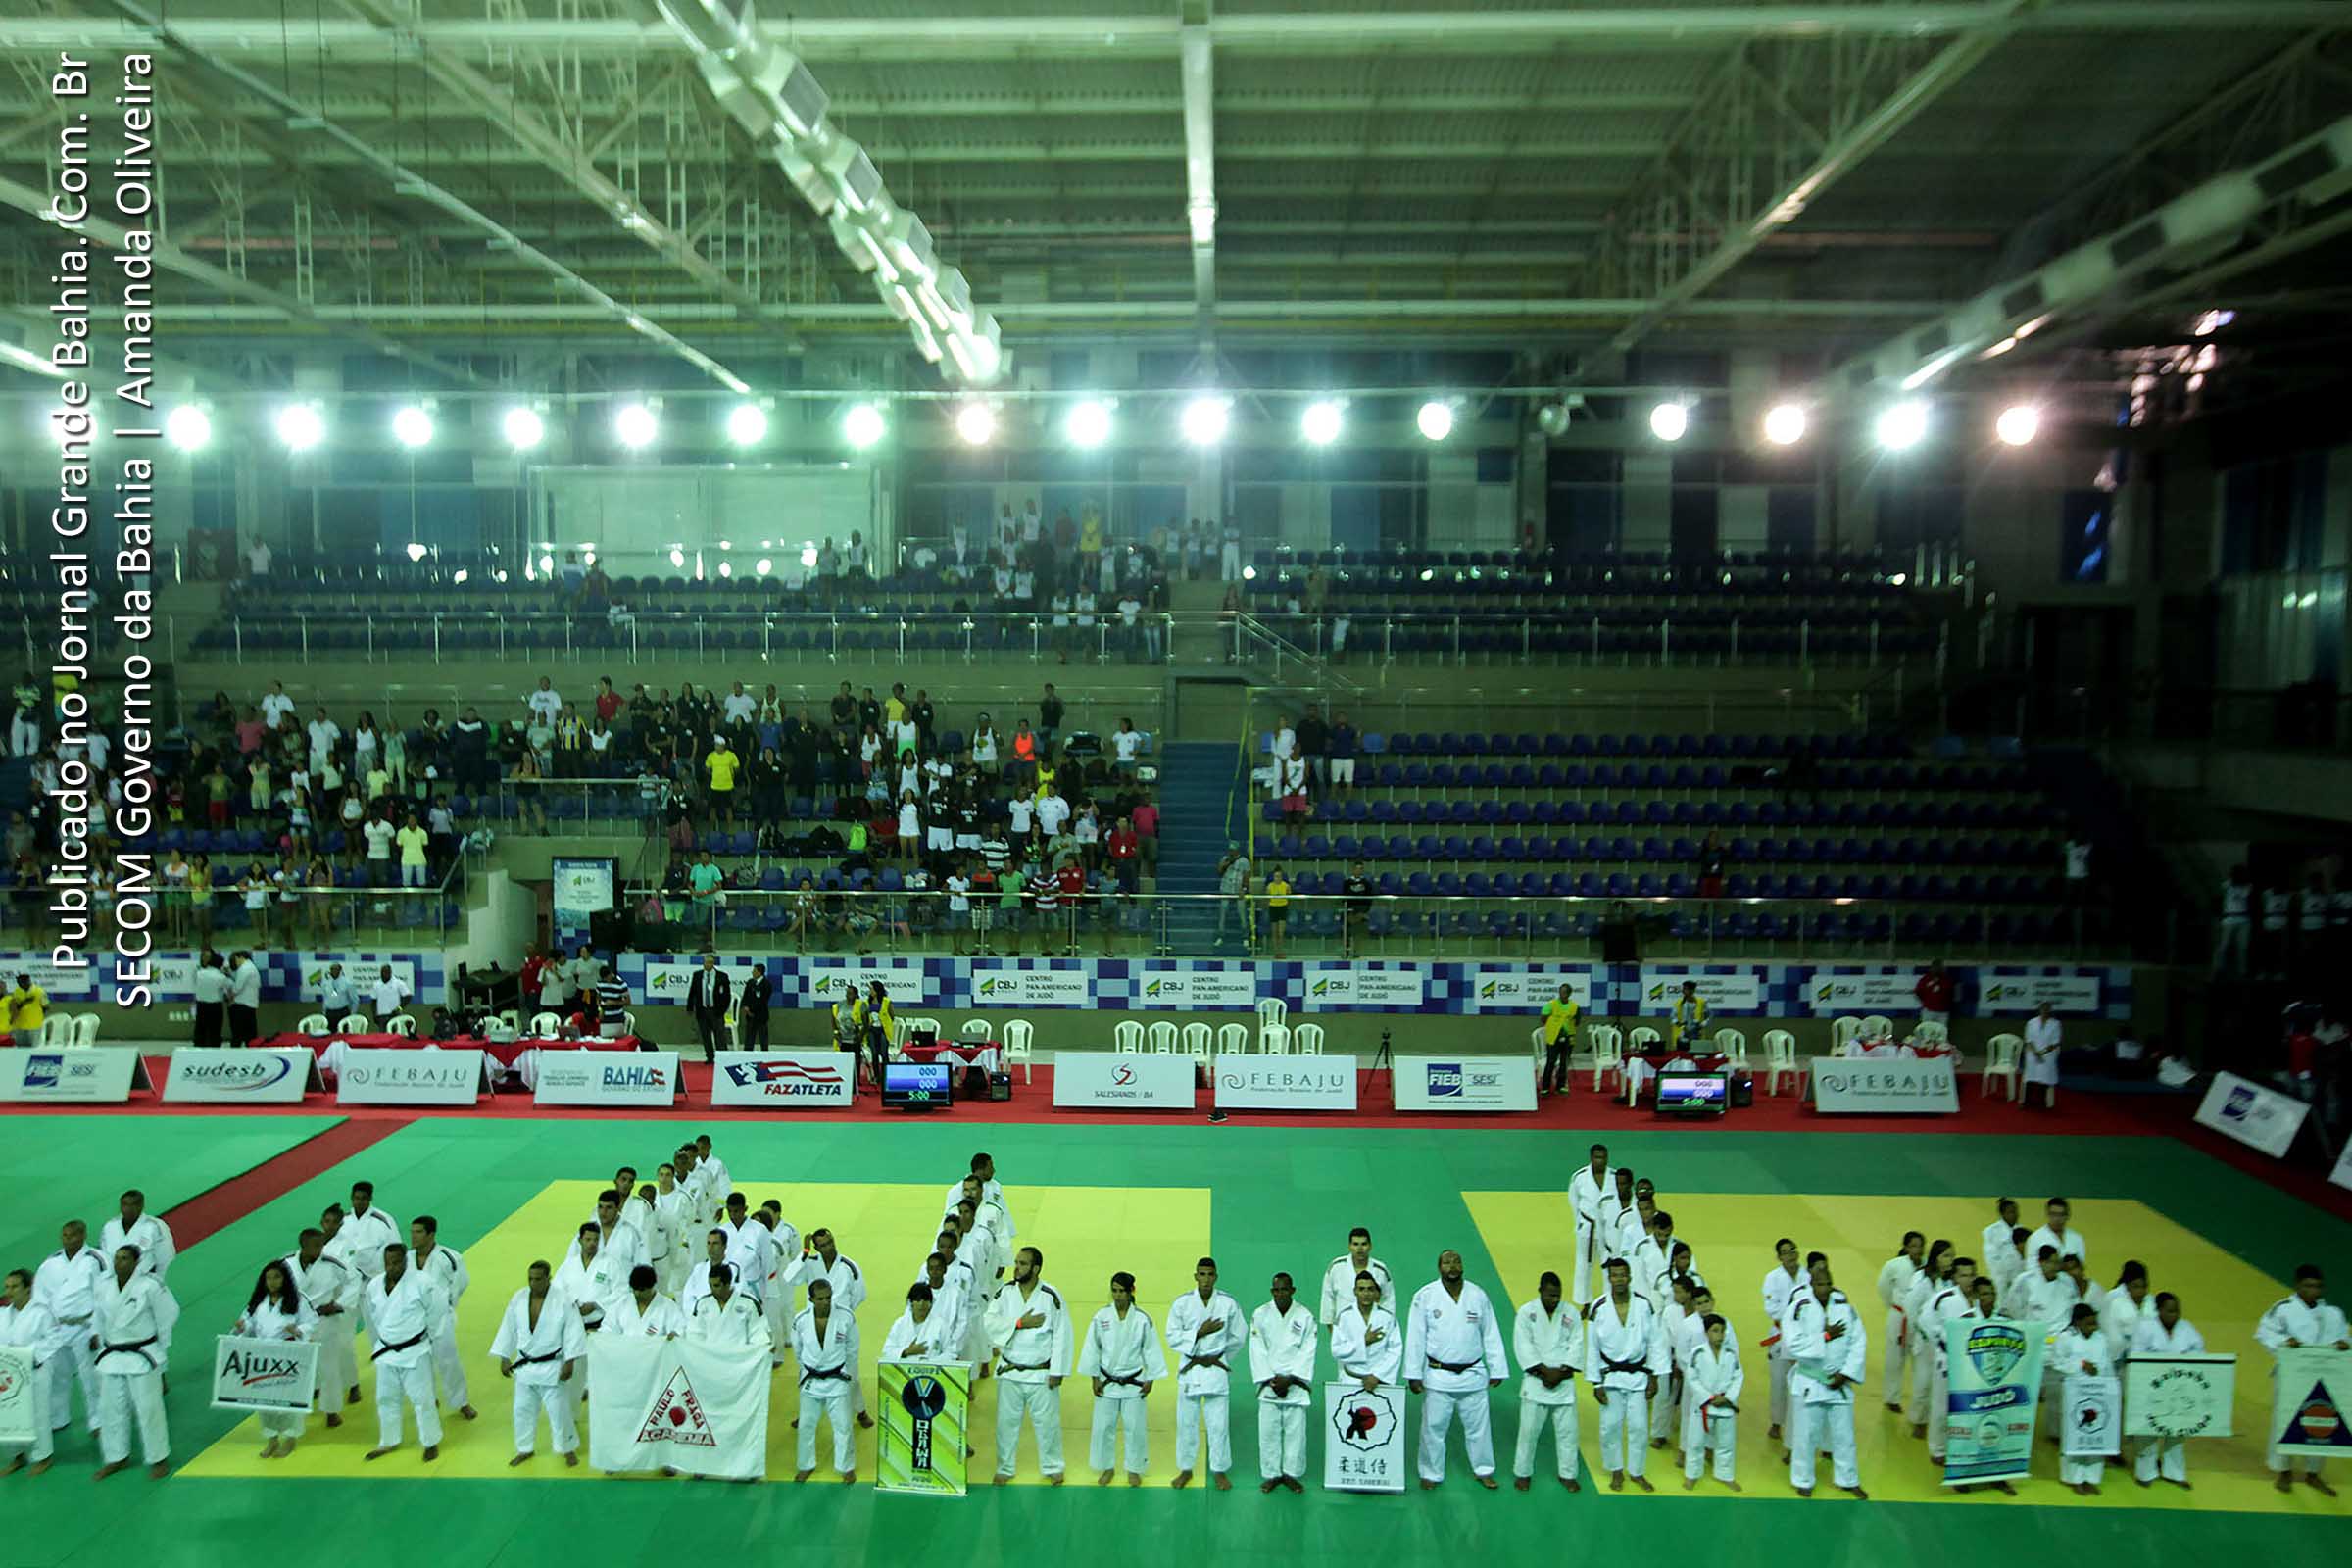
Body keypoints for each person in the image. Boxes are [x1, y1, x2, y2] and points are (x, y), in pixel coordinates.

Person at [1403, 1249, 1507, 1490]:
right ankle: (1430, 1472)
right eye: (1447, 1262)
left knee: (1479, 1428)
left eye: (1456, 1261)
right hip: (1439, 1374)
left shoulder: (1477, 1295)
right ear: (1439, 1267)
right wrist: (1413, 1374)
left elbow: (1490, 1332)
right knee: (1433, 1428)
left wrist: (1497, 1367)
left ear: (1462, 1266)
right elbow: (1416, 1337)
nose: (1452, 1266)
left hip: (1473, 1373)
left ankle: (1483, 1470)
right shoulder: (1425, 1296)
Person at [2256, 1263, 2350, 1495]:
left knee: (2322, 1420)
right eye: (2308, 1285)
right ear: (2297, 1285)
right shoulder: (2283, 1309)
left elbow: (2344, 1340)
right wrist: (2284, 1342)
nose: (2313, 1290)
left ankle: (2313, 1473)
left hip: (2326, 1376)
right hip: (2292, 1374)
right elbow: (2264, 1333)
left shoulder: (2334, 1313)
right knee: (2285, 1418)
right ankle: (2283, 1471)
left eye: (2317, 1286)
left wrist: (2344, 1344)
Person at [91, 1243, 179, 1480]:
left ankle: (158, 1457)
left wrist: (160, 1347)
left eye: (124, 1259)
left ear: (136, 1262)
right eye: (117, 1258)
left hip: (142, 1353)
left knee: (149, 1408)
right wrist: (99, 1339)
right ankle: (116, 1457)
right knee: (109, 1409)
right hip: (111, 1354)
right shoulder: (103, 1285)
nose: (118, 1263)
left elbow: (168, 1314)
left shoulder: (150, 1285)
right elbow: (97, 1316)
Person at [1782, 1256, 1868, 1499]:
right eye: (1819, 1284)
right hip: (1810, 1380)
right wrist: (1825, 1336)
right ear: (1811, 1283)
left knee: (1844, 1435)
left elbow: (1858, 1341)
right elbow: (1793, 1344)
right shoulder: (1800, 1307)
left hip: (1839, 1382)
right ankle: (1803, 1479)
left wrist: (1847, 1373)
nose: (1824, 1288)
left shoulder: (1845, 1307)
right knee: (1806, 1435)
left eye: (1828, 1283)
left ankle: (1848, 1479)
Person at [987, 1246, 1073, 1485]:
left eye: (1023, 1264)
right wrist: (1019, 1323)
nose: (1017, 1268)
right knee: (1006, 1424)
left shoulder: (1050, 1295)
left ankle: (1052, 1466)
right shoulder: (1004, 1292)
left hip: (1041, 1372)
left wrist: (1058, 1370)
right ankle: (1005, 1467)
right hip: (1010, 1370)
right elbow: (989, 1322)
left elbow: (1062, 1333)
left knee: (1048, 1424)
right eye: (1016, 1262)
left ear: (1036, 1268)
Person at [1077, 1271, 1167, 1486]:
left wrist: (1151, 1378)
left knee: (1134, 1427)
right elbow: (1092, 1347)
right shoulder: (1101, 1317)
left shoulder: (1142, 1320)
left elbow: (1151, 1350)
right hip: (1107, 1381)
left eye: (1121, 1291)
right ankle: (1106, 1467)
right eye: (1114, 1291)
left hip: (1134, 1381)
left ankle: (1134, 1468)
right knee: (1103, 1427)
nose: (1117, 1296)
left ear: (1131, 1292)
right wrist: (1093, 1377)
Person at [1585, 1256, 1665, 1490]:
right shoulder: (1598, 1307)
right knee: (1610, 1425)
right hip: (1610, 1375)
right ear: (1609, 1278)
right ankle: (1616, 1470)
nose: (1619, 1279)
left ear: (1629, 1277)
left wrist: (1654, 1376)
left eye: (1623, 1275)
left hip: (1638, 1375)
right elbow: (1592, 1347)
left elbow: (1655, 1342)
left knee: (1639, 1426)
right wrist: (1595, 1383)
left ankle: (1637, 1472)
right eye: (1614, 1275)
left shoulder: (1643, 1305)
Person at [361, 1244, 446, 1463]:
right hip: (387, 1350)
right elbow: (374, 1315)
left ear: (405, 1261)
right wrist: (384, 1338)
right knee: (385, 1398)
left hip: (415, 1350)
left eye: (397, 1262)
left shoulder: (422, 1282)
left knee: (422, 1399)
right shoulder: (375, 1285)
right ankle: (389, 1440)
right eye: (388, 1263)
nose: (392, 1267)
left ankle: (430, 1441)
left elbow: (437, 1310)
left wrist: (428, 1335)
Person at [1165, 1255, 1243, 1491]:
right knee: (1186, 1423)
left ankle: (1219, 1470)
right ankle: (1186, 1469)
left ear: (1215, 1277)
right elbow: (1172, 1336)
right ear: (1195, 1276)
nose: (1206, 1279)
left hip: (1215, 1368)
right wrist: (1198, 1333)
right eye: (1202, 1274)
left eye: (1210, 1275)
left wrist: (1220, 1358)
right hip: (1191, 1368)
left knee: (1218, 1424)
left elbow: (1238, 1336)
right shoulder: (1182, 1303)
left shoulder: (1228, 1303)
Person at [233, 1259, 316, 1458]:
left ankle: (290, 1437)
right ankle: (271, 1438)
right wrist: (242, 1327)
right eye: (268, 1278)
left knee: (288, 1399)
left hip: (289, 1355)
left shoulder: (298, 1300)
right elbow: (248, 1323)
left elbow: (312, 1322)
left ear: (285, 1279)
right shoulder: (257, 1303)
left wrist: (298, 1330)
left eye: (277, 1277)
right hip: (263, 1356)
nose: (272, 1282)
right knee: (264, 1400)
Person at [1247, 1271, 1317, 1493]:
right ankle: (1271, 1474)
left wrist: (1291, 1378)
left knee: (1296, 1432)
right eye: (1276, 1289)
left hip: (1295, 1383)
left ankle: (1291, 1474)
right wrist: (1270, 1378)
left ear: (1292, 1290)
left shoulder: (1305, 1315)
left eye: (1284, 1289)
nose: (1280, 1293)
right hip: (1270, 1383)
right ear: (1271, 1291)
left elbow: (1308, 1350)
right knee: (1268, 1431)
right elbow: (1257, 1349)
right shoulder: (1261, 1314)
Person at [1512, 1270, 1582, 1492]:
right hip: (1536, 1380)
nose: (1555, 1299)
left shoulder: (1571, 1312)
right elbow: (1523, 1345)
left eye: (1558, 1295)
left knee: (1568, 1433)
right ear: (1540, 1290)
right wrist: (1544, 1372)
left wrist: (1560, 1373)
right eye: (1550, 1295)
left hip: (1563, 1379)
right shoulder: (1526, 1313)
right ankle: (1523, 1473)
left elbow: (1577, 1344)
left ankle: (1568, 1474)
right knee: (1528, 1432)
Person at [35, 1221, 105, 1440]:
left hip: (85, 1326)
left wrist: (97, 1330)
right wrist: (45, 1329)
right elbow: (40, 1297)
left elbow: (103, 1296)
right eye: (65, 1235)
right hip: (58, 1327)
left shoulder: (95, 1259)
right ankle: (58, 1417)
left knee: (90, 1377)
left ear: (83, 1235)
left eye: (73, 1235)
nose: (69, 1239)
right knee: (57, 1375)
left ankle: (98, 1420)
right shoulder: (50, 1263)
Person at [283, 1226, 355, 1428]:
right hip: (297, 1324)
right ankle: (294, 1414)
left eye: (322, 1244)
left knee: (329, 1368)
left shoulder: (332, 1263)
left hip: (325, 1321)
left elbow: (353, 1281)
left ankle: (332, 1411)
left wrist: (339, 1303)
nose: (320, 1249)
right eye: (315, 1245)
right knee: (295, 1369)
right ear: (302, 1245)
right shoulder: (286, 1265)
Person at [2131, 1292, 2203, 1488]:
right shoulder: (2145, 1327)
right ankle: (2145, 1473)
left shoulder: (2186, 1328)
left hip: (2179, 1388)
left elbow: (2199, 1351)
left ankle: (2174, 1473)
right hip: (2151, 1386)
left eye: (2177, 1311)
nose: (2175, 1315)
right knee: (2148, 1430)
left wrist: (2186, 1361)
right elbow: (2136, 1354)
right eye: (2170, 1311)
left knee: (2177, 1431)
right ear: (2159, 1310)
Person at [792, 1278, 860, 1484]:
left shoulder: (846, 1317)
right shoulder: (801, 1320)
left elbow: (852, 1349)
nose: (826, 1302)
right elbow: (798, 1350)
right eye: (820, 1299)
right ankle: (805, 1465)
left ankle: (845, 1467)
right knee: (806, 1425)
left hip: (837, 1377)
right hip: (811, 1379)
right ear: (811, 1299)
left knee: (843, 1426)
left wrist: (847, 1373)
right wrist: (806, 1369)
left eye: (829, 1297)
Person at [409, 1217, 476, 1421]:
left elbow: (462, 1282)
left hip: (440, 1318)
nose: (413, 1236)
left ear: (431, 1234)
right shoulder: (406, 1258)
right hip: (413, 1318)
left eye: (418, 1232)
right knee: (419, 1361)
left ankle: (461, 1402)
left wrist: (447, 1303)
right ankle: (428, 1398)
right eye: (412, 1231)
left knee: (447, 1360)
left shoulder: (448, 1257)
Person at [2052, 1301, 2116, 1494]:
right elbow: (2056, 1362)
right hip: (2074, 1391)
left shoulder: (2101, 1339)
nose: (2093, 1327)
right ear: (2078, 1323)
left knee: (2096, 1432)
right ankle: (2074, 1478)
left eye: (2095, 1323)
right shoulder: (2066, 1338)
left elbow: (2107, 1363)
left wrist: (2110, 1385)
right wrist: (2080, 1365)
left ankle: (2091, 1477)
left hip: (2098, 1390)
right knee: (2075, 1434)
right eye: (2089, 1324)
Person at [0, 1268, 58, 1473]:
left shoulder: (42, 1312)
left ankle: (43, 1456)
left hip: (36, 1369)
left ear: (28, 1289)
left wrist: (26, 1354)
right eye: (7, 1286)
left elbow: (52, 1340)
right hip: (7, 1373)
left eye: (14, 1286)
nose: (9, 1291)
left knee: (38, 1413)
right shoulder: (2, 1314)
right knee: (8, 1413)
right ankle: (17, 1455)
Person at [1682, 1312, 1743, 1491]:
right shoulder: (1698, 1352)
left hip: (1725, 1404)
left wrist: (1728, 1397)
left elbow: (1738, 1376)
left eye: (1722, 1331)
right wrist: (1709, 1397)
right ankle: (1692, 1475)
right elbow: (1692, 1378)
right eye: (1715, 1331)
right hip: (1704, 1404)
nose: (1720, 1335)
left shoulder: (1731, 1353)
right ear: (1707, 1333)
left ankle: (1725, 1475)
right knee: (1696, 1442)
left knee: (1726, 1442)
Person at [1874, 1231, 1925, 1409]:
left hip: (1920, 1319)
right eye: (1913, 1245)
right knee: (1894, 1359)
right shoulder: (1894, 1265)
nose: (1917, 1249)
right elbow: (1883, 1288)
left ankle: (1920, 1399)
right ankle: (1892, 1398)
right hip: (1899, 1315)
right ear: (1906, 1247)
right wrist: (1894, 1306)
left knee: (1920, 1358)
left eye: (1920, 1245)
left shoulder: (1927, 1267)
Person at [686, 1263, 772, 1354]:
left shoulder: (748, 1303)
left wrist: (763, 1347)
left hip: (740, 1359)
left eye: (716, 1285)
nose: (712, 1290)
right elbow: (695, 1333)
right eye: (710, 1285)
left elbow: (758, 1332)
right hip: (711, 1358)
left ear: (727, 1284)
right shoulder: (703, 1304)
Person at [1566, 1145, 1614, 1305]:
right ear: (1591, 1158)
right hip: (1587, 1225)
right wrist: (1578, 1222)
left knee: (1609, 1264)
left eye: (1603, 1157)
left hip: (1607, 1228)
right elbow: (1574, 1201)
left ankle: (1609, 1300)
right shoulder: (1579, 1177)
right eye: (1597, 1157)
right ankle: (1584, 1302)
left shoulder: (1613, 1176)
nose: (1601, 1161)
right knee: (1583, 1265)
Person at [1317, 1227, 1393, 1326]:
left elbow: (1388, 1301)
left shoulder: (1380, 1270)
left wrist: (1386, 1326)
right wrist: (1332, 1331)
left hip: (1373, 1328)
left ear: (1370, 1246)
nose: (1360, 1248)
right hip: (1343, 1328)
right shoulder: (1336, 1267)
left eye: (1364, 1244)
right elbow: (1327, 1298)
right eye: (1356, 1244)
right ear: (1350, 1246)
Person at [99, 1191, 176, 1285]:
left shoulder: (154, 1226)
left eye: (133, 1205)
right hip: (114, 1282)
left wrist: (157, 1282)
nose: (128, 1209)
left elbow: (165, 1257)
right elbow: (104, 1257)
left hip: (144, 1282)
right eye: (125, 1205)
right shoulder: (110, 1227)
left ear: (141, 1206)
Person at [1539, 985, 1581, 1097]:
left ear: (1569, 994)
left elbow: (1577, 1021)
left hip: (1568, 1038)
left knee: (1564, 1063)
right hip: (1553, 1037)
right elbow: (1543, 1018)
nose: (1563, 994)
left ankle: (1560, 1086)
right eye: (1561, 992)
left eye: (1565, 992)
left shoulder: (1575, 1006)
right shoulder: (1551, 1004)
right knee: (1551, 1062)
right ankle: (1545, 1088)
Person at [686, 955, 731, 1056]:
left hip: (716, 1011)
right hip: (702, 1010)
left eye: (711, 962)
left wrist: (722, 1010)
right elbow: (692, 992)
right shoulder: (697, 975)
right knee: (705, 1035)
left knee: (720, 1035)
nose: (708, 965)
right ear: (703, 963)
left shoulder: (722, 976)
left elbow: (726, 996)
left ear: (714, 964)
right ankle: (710, 1056)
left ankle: (723, 1057)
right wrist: (690, 1007)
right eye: (707, 962)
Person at [2023, 1003, 2063, 1108]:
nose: (2045, 1011)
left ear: (2050, 1011)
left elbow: (2056, 1042)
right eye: (2043, 1009)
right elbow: (2029, 1040)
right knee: (2030, 1078)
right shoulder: (2031, 1023)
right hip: (2033, 1053)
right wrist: (2036, 1053)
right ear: (2039, 1010)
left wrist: (2043, 1053)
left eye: (2047, 1009)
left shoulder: (2056, 1024)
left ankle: (2042, 1102)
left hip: (2048, 1055)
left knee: (2044, 1078)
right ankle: (2026, 1102)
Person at [191, 952, 229, 1049]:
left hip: (201, 1005)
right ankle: (214, 1049)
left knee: (200, 1029)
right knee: (215, 1031)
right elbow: (230, 987)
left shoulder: (198, 973)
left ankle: (198, 1048)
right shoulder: (221, 977)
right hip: (215, 1007)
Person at [738, 962, 772, 1050]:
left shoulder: (767, 984)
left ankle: (765, 1057)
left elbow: (763, 1000)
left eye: (754, 971)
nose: (752, 972)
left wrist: (752, 1010)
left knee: (763, 1038)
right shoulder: (750, 982)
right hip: (750, 1017)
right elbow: (745, 996)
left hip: (761, 1016)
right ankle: (747, 1056)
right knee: (749, 1037)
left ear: (759, 973)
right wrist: (745, 1007)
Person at [1915, 959, 1955, 1026]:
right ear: (1932, 968)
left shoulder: (1946, 980)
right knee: (1926, 1032)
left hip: (1943, 1012)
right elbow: (1918, 991)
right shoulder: (1926, 979)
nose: (1938, 969)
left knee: (1941, 1033)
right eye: (1936, 967)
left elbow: (1950, 994)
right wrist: (1927, 1002)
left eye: (1940, 967)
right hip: (1929, 1011)